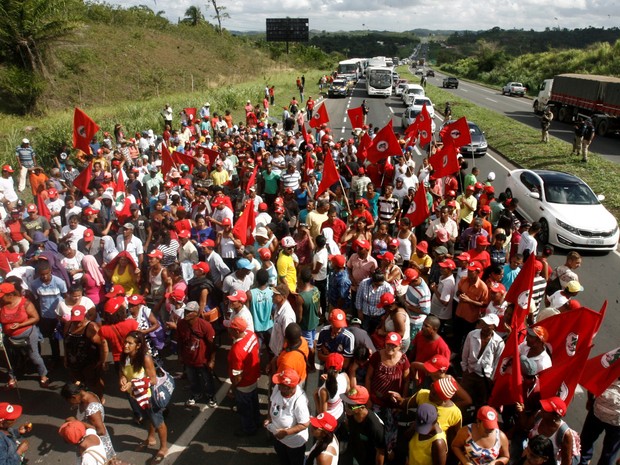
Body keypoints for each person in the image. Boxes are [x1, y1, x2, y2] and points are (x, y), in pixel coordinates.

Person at [119, 331, 168, 463]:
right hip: (136, 396)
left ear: (139, 345)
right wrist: (123, 378)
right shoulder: (125, 356)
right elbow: (122, 371)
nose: (126, 345)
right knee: (148, 418)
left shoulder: (145, 358)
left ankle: (163, 448)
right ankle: (151, 438)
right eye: (125, 342)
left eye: (130, 343)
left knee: (158, 422)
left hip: (149, 396)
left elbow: (153, 380)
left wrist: (132, 383)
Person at [0, 282, 49, 388]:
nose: (1, 299)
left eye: (2, 296)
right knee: (10, 358)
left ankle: (43, 375)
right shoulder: (1, 304)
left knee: (34, 357)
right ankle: (12, 376)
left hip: (27, 334)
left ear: (10, 295)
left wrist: (20, 325)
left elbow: (35, 318)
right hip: (9, 337)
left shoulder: (25, 303)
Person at [265, 368, 310, 465]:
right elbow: (272, 401)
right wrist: (269, 417)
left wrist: (285, 432)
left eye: (280, 384)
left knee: (295, 461)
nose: (277, 384)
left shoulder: (299, 401)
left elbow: (304, 424)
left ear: (288, 387)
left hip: (293, 442)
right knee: (282, 458)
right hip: (278, 437)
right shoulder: (278, 388)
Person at [460, 314, 505, 411]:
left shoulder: (499, 342)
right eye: (483, 323)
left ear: (494, 327)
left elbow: (497, 363)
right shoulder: (472, 335)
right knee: (463, 397)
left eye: (488, 325)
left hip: (485, 378)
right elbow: (465, 352)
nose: (484, 326)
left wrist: (491, 379)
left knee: (481, 402)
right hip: (470, 372)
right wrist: (464, 369)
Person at [60, 382, 115, 460]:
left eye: (69, 401)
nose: (70, 404)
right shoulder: (84, 396)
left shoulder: (92, 408)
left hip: (95, 444)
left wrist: (76, 422)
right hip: (88, 440)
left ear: (74, 397)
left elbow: (101, 431)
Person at [227, 316, 262, 437]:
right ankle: (257, 421)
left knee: (244, 408)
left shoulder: (237, 350)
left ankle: (249, 429)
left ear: (236, 331)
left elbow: (237, 375)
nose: (229, 330)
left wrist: (233, 387)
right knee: (254, 402)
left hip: (244, 384)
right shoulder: (251, 334)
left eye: (231, 328)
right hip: (253, 376)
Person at [578, 378, 620, 465]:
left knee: (585, 444)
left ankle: (581, 462)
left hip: (598, 408)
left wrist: (590, 400)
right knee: (608, 454)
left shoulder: (611, 364)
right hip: (617, 420)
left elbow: (595, 378)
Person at [341, 386, 386, 465]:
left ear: (361, 407)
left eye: (351, 406)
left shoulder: (375, 427)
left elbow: (380, 452)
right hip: (356, 453)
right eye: (346, 403)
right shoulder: (351, 414)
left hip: (369, 459)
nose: (347, 408)